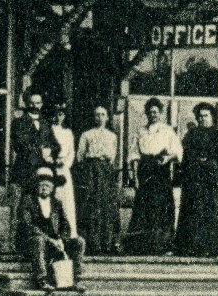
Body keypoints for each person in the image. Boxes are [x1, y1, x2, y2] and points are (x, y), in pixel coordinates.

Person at [176, 103, 218, 257]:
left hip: (212, 181)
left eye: (206, 116)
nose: (202, 119)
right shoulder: (191, 135)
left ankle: (213, 248)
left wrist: (209, 162)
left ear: (212, 117)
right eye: (200, 116)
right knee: (193, 212)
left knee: (212, 212)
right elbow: (185, 158)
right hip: (195, 180)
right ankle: (192, 247)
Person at [131, 98, 181, 254]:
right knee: (144, 207)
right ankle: (143, 246)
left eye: (155, 112)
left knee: (162, 207)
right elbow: (134, 155)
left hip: (161, 170)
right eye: (150, 112)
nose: (153, 114)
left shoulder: (167, 130)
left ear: (160, 113)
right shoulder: (140, 131)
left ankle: (162, 245)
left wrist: (168, 158)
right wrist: (135, 176)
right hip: (145, 170)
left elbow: (178, 152)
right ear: (146, 113)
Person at [24, 168, 84, 292]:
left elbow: (66, 226)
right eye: (41, 185)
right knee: (38, 240)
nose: (44, 188)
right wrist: (51, 240)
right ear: (36, 186)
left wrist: (62, 239)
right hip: (36, 242)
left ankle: (76, 279)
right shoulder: (28, 202)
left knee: (79, 242)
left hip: (55, 243)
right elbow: (29, 226)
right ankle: (42, 280)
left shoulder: (56, 203)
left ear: (52, 188)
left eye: (47, 185)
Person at [75, 105, 122, 254]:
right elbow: (80, 157)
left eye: (103, 115)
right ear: (93, 117)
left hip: (106, 172)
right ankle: (93, 244)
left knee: (107, 207)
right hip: (91, 171)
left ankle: (106, 244)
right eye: (97, 115)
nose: (100, 118)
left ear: (107, 117)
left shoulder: (112, 136)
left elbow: (114, 158)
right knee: (91, 206)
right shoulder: (86, 135)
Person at [7, 91, 48, 253]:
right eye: (32, 103)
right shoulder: (18, 122)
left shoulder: (46, 123)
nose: (35, 106)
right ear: (27, 104)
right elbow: (20, 145)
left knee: (38, 209)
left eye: (38, 103)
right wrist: (41, 152)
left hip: (40, 173)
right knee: (19, 209)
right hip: (23, 172)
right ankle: (15, 246)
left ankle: (36, 246)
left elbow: (51, 144)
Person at [44, 102, 78, 236]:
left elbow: (72, 152)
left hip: (64, 169)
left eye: (62, 115)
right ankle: (53, 232)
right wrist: (52, 160)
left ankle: (70, 232)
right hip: (51, 168)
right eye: (57, 114)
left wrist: (65, 163)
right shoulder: (48, 130)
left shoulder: (68, 132)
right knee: (53, 198)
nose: (59, 117)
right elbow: (45, 149)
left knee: (67, 200)